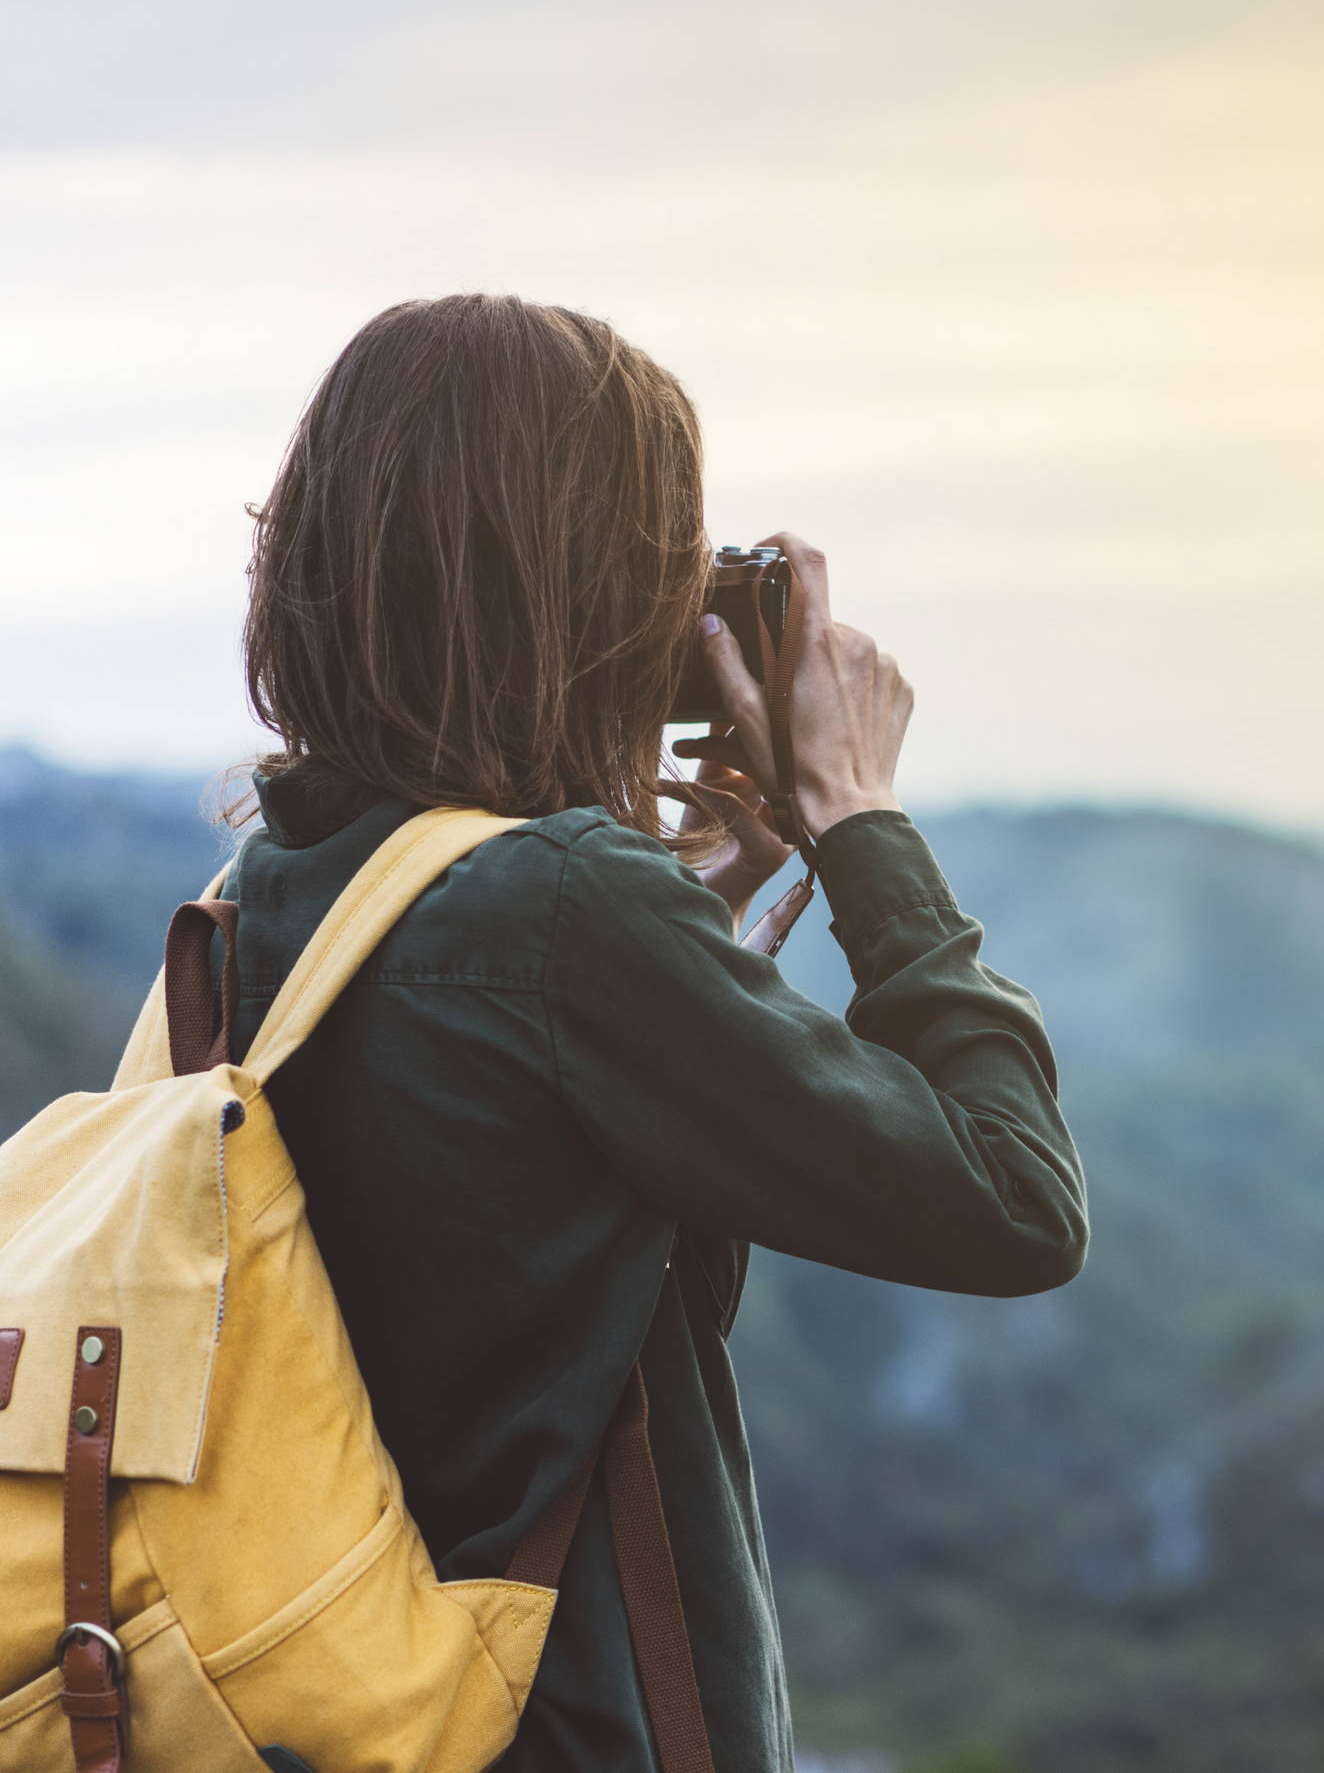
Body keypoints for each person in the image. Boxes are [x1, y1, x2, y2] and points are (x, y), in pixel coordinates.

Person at [223, 293, 1088, 1772]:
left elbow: (519, 1199)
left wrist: (702, 919)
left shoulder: (276, 880)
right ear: (583, 592)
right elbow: (1017, 1201)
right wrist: (859, 818)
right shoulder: (562, 916)